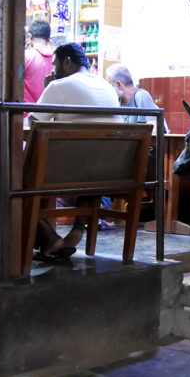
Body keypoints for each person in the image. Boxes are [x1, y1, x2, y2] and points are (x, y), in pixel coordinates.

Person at [28, 43, 121, 257]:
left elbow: (31, 125)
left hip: (67, 172)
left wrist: (47, 90)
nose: (52, 71)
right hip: (107, 173)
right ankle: (77, 230)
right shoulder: (107, 87)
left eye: (54, 65)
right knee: (89, 165)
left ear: (67, 62)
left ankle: (49, 239)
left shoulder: (58, 86)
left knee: (13, 181)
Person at [105, 63, 167, 133]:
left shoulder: (141, 96)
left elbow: (153, 132)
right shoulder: (119, 101)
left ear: (118, 84)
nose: (108, 89)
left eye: (109, 85)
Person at [24, 19, 54, 104]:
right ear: (48, 38)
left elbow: (18, 78)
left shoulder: (26, 56)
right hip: (49, 112)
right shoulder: (57, 59)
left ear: (31, 37)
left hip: (26, 112)